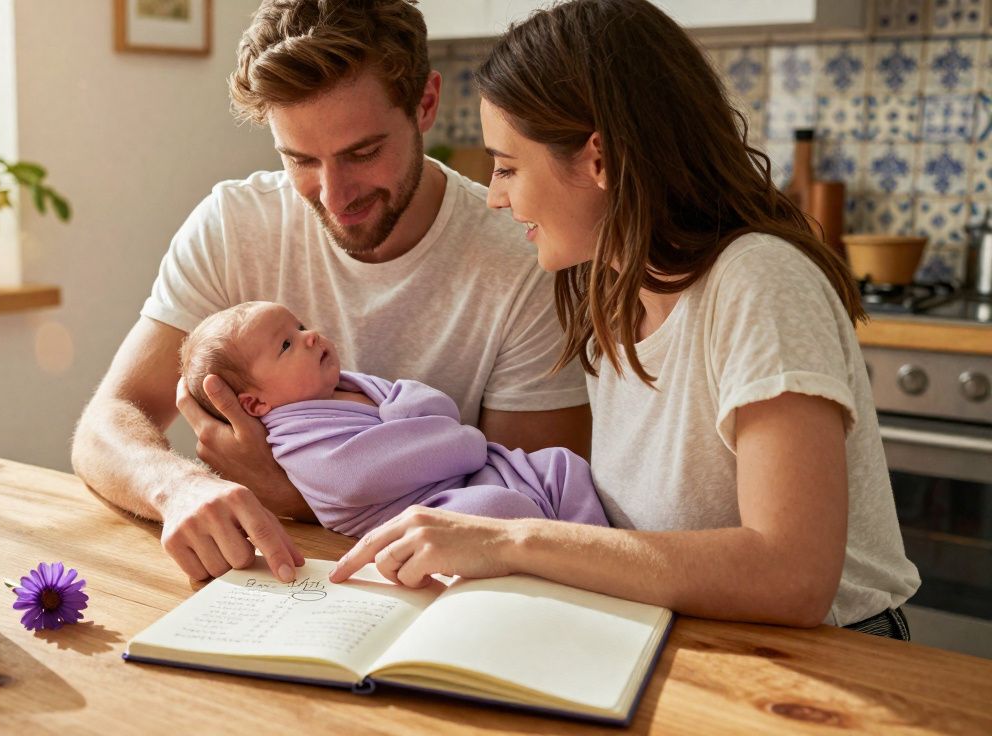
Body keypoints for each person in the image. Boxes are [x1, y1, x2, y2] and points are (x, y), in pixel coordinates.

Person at [330, 0, 920, 638]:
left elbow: (793, 577)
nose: (495, 196)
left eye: (506, 167)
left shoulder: (758, 282)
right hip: (686, 630)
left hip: (837, 651)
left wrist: (512, 540)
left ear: (599, 159)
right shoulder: (608, 290)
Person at [71, 0, 591, 586]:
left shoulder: (525, 257)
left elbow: (528, 517)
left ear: (425, 103)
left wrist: (290, 493)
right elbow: (109, 420)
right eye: (300, 160)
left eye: (363, 153)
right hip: (269, 575)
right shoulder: (233, 225)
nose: (335, 197)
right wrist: (178, 486)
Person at [178, 300, 610, 537]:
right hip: (420, 511)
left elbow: (432, 404)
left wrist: (419, 421)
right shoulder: (294, 437)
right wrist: (457, 440)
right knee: (497, 508)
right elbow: (355, 476)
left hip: (470, 472)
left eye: (301, 326)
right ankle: (560, 561)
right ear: (254, 405)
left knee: (561, 464)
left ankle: (595, 552)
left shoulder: (349, 383)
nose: (309, 337)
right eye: (286, 346)